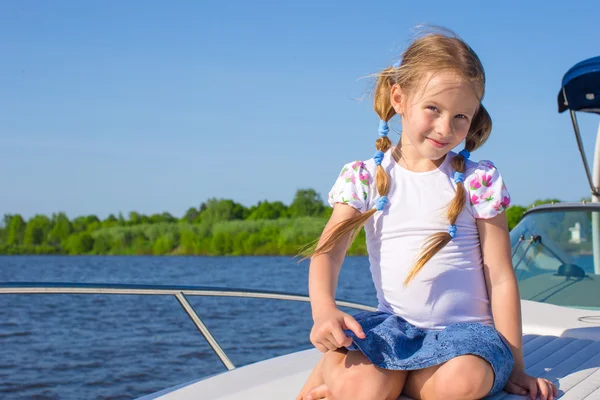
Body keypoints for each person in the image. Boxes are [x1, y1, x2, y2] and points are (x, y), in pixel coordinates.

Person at [296, 29, 558, 400]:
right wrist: (324, 311)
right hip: (395, 328)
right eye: (433, 109)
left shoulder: (477, 180)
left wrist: (516, 367)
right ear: (399, 98)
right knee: (362, 389)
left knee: (461, 384)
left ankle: (381, 378)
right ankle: (361, 375)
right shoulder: (364, 177)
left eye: (461, 117)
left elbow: (500, 277)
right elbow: (329, 253)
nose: (445, 128)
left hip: (466, 337)